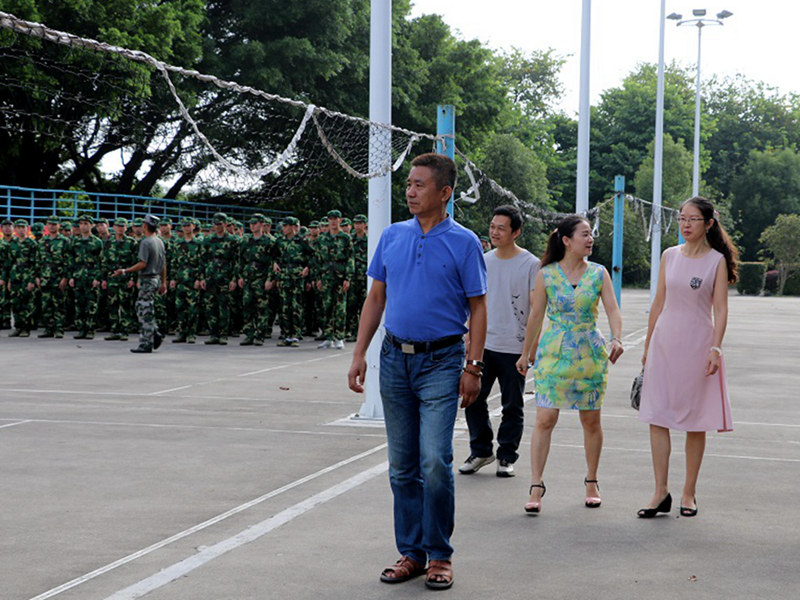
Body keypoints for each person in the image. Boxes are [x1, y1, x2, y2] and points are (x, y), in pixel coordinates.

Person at [348, 153, 487, 591]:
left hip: (442, 362)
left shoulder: (465, 242)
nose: (409, 191)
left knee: (435, 461)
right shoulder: (392, 236)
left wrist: (473, 366)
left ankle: (440, 554)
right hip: (394, 359)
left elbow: (478, 307)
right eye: (408, 183)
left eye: (419, 185)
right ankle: (411, 552)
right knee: (402, 466)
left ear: (444, 193)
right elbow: (376, 298)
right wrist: (359, 354)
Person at [637, 197, 737, 519]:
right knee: (657, 416)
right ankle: (659, 492)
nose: (685, 225)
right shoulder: (669, 255)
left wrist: (716, 348)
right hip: (664, 343)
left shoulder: (716, 261)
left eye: (693, 219)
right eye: (682, 218)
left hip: (698, 346)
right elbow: (658, 303)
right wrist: (648, 345)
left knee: (696, 420)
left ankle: (689, 492)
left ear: (709, 224)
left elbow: (720, 309)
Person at [516, 215, 623, 514]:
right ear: (566, 240)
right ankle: (536, 485)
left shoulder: (599, 273)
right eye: (584, 234)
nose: (590, 239)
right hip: (554, 354)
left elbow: (613, 309)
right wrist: (525, 353)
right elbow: (536, 315)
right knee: (545, 419)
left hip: (590, 356)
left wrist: (617, 338)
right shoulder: (546, 274)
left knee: (591, 421)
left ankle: (592, 481)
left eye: (591, 234)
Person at [459, 205, 540, 478]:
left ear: (516, 232)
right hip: (484, 345)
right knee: (472, 398)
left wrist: (530, 348)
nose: (495, 232)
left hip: (515, 347)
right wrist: (469, 337)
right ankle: (481, 450)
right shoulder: (484, 260)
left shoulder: (531, 264)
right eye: (492, 227)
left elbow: (536, 308)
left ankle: (506, 456)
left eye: (501, 228)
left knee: (512, 406)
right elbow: (473, 303)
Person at [112, 214, 166, 353]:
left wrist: (125, 271)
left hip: (147, 279)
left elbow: (143, 263)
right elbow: (163, 264)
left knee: (144, 311)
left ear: (145, 226)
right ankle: (154, 332)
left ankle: (146, 342)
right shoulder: (159, 241)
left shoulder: (145, 242)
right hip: (155, 278)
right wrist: (163, 281)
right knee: (146, 308)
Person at [271, 216, 313, 347]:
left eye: (286, 226)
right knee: (284, 306)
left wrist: (307, 268)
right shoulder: (280, 241)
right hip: (284, 275)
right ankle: (286, 334)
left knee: (296, 306)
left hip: (297, 276)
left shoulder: (302, 241)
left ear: (293, 227)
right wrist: (275, 263)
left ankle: (295, 335)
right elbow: (273, 255)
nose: (283, 228)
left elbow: (313, 256)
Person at [315, 209, 353, 350]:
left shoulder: (345, 238)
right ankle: (328, 337)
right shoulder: (322, 238)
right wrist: (318, 277)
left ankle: (339, 337)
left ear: (339, 220)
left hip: (340, 275)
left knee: (340, 308)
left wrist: (348, 277)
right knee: (327, 307)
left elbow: (350, 258)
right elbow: (318, 259)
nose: (332, 221)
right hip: (326, 276)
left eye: (335, 219)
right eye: (330, 219)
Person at [200, 212, 239, 345]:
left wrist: (234, 279)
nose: (217, 226)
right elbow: (203, 260)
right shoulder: (208, 240)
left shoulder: (232, 240)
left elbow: (236, 261)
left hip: (225, 277)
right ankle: (213, 334)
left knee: (224, 306)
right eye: (215, 224)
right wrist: (202, 277)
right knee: (210, 306)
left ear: (225, 224)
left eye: (219, 224)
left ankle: (223, 334)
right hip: (211, 277)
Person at [102, 218, 138, 341]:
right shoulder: (108, 242)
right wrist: (103, 278)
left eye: (122, 226)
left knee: (125, 305)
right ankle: (114, 330)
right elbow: (104, 262)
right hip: (112, 277)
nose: (120, 228)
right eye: (118, 226)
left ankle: (124, 331)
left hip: (125, 277)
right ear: (113, 227)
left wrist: (133, 278)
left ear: (126, 228)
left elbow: (135, 262)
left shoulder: (132, 243)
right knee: (112, 304)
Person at [69, 215, 104, 340]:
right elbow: (71, 260)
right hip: (78, 275)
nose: (83, 226)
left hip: (91, 275)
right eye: (81, 224)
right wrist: (71, 276)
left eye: (86, 223)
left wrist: (97, 277)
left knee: (91, 304)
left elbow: (101, 261)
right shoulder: (75, 241)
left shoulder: (97, 242)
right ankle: (81, 329)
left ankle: (90, 329)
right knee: (79, 303)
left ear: (91, 225)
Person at [170, 217, 204, 344]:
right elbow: (174, 262)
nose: (186, 228)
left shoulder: (198, 243)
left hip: (192, 279)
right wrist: (173, 278)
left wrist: (199, 278)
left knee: (193, 308)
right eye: (184, 226)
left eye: (188, 225)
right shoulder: (178, 243)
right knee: (180, 307)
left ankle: (191, 333)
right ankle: (181, 333)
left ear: (193, 226)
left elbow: (202, 263)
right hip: (180, 280)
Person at [37, 217, 70, 338]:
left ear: (59, 226)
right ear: (46, 225)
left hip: (58, 276)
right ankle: (48, 329)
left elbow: (68, 261)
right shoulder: (42, 241)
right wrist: (37, 277)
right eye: (50, 224)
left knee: (59, 304)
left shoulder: (65, 241)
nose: (52, 226)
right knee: (46, 304)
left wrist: (65, 278)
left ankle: (59, 329)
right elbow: (38, 261)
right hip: (45, 277)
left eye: (54, 224)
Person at [7, 220, 39, 337]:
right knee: (15, 302)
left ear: (27, 229)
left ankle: (26, 328)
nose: (21, 230)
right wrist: (9, 279)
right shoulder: (12, 243)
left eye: (23, 227)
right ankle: (18, 326)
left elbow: (35, 263)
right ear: (15, 229)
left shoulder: (32, 244)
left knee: (27, 302)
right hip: (15, 275)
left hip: (27, 275)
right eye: (19, 227)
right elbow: (9, 262)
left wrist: (32, 280)